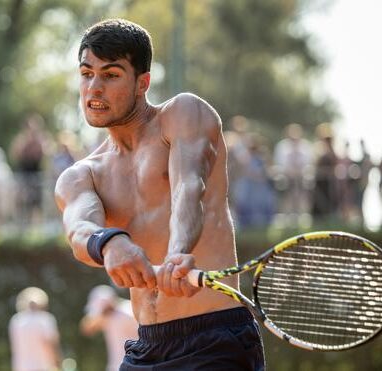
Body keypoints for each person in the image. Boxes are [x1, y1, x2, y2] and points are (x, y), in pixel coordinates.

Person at [54, 19, 264, 370]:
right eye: (87, 73)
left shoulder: (183, 114)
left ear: (143, 83)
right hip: (145, 347)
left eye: (111, 75)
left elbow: (188, 188)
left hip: (216, 342)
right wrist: (109, 242)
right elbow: (79, 230)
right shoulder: (81, 174)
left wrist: (179, 252)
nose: (94, 88)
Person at [80, 285, 138, 371]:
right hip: (119, 366)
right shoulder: (108, 317)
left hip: (132, 365)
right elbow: (86, 328)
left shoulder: (127, 312)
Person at [8, 287, 62, 371]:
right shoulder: (46, 319)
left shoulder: (15, 321)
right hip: (43, 367)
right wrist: (57, 364)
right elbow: (50, 344)